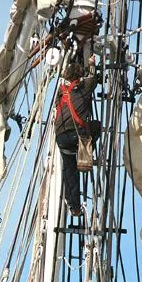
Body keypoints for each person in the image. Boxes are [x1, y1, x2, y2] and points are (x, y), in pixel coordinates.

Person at [54, 58, 101, 216]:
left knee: (70, 170)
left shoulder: (60, 91)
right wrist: (92, 64)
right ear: (79, 76)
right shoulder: (84, 88)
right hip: (77, 136)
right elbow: (93, 79)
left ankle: (74, 207)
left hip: (61, 137)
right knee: (96, 126)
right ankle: (85, 154)